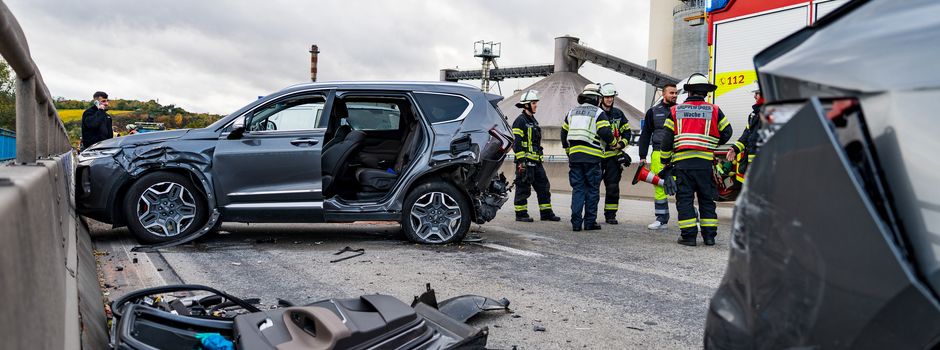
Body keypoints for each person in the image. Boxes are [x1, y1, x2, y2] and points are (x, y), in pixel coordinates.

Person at [660, 74, 732, 246]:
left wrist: (666, 163)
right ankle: (709, 237)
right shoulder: (714, 110)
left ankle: (689, 236)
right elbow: (727, 132)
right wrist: (710, 142)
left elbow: (666, 140)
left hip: (683, 165)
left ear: (689, 91)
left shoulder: (675, 111)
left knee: (684, 199)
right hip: (706, 165)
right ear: (705, 93)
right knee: (707, 199)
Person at [561, 84, 615, 232]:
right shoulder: (599, 113)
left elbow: (563, 133)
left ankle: (576, 223)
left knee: (578, 189)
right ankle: (590, 222)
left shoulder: (571, 112)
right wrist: (615, 143)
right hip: (592, 157)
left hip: (575, 157)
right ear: (596, 98)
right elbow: (605, 132)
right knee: (592, 190)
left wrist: (568, 151)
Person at [511, 90, 561, 222]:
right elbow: (517, 143)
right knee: (523, 188)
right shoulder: (520, 121)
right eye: (533, 103)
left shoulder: (533, 121)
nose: (536, 105)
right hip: (525, 162)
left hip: (536, 162)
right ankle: (521, 214)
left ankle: (546, 213)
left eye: (535, 103)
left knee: (544, 187)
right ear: (526, 105)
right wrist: (521, 161)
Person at [638, 83, 679, 230]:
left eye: (676, 93)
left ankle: (692, 217)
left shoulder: (680, 110)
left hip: (677, 153)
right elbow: (645, 134)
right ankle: (661, 219)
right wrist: (642, 155)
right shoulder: (653, 112)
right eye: (671, 93)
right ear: (663, 94)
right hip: (658, 153)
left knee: (682, 185)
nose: (674, 95)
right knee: (659, 186)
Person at [597, 83, 631, 225]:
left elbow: (627, 132)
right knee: (593, 187)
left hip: (612, 157)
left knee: (612, 187)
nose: (609, 99)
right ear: (601, 98)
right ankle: (590, 214)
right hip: (597, 156)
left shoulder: (618, 114)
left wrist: (621, 144)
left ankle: (610, 215)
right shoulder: (597, 113)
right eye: (607, 97)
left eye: (611, 97)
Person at [725, 83, 763, 183]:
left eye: (757, 93)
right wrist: (735, 148)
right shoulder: (753, 115)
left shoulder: (770, 113)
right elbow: (746, 136)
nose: (754, 96)